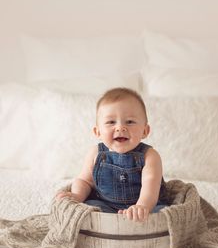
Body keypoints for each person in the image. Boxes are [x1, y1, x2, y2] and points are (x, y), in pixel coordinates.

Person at [57, 87, 167, 222]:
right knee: (87, 208)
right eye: (111, 122)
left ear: (145, 131)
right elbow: (85, 181)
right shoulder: (95, 153)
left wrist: (142, 206)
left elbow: (150, 187)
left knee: (162, 214)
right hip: (105, 205)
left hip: (144, 206)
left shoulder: (150, 156)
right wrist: (77, 195)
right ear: (98, 132)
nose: (120, 127)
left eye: (130, 121)